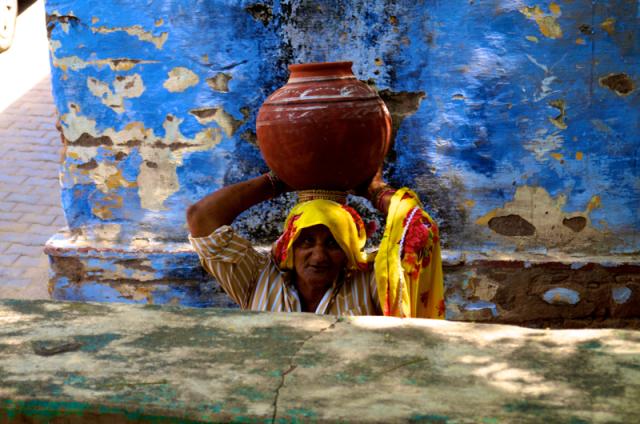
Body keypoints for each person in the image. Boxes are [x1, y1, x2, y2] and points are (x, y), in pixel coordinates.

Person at [186, 170, 444, 318]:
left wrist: (374, 189)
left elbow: (419, 231)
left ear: (348, 253)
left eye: (333, 244)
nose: (318, 257)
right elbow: (201, 218)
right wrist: (277, 181)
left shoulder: (369, 282)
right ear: (289, 246)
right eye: (306, 242)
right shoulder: (257, 277)